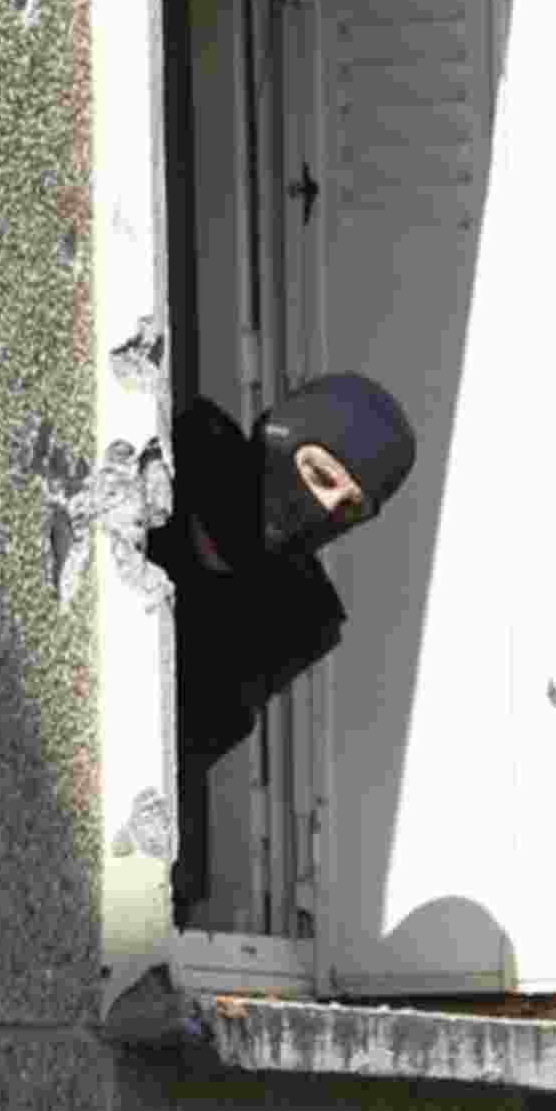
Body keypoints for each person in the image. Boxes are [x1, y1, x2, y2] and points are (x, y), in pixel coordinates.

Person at [147, 372, 416, 926]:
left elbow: (187, 747)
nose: (321, 508)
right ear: (280, 432)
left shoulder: (298, 617)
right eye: (319, 474)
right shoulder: (168, 439)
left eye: (348, 509)